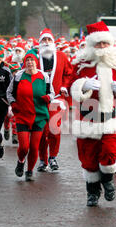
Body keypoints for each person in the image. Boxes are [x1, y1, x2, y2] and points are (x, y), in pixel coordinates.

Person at [70, 21, 116, 206]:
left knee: (110, 153)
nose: (102, 47)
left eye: (105, 43)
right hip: (89, 119)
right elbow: (69, 85)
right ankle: (92, 192)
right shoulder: (81, 65)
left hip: (111, 119)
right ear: (91, 45)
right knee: (89, 160)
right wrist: (83, 85)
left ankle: (107, 180)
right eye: (98, 44)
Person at [7, 49, 54, 181]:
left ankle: (29, 171)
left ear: (36, 62)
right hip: (22, 115)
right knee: (24, 147)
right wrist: (13, 103)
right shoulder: (18, 76)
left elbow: (52, 92)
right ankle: (21, 161)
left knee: (34, 146)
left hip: (39, 116)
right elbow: (9, 92)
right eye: (27, 60)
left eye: (32, 60)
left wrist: (48, 98)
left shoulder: (44, 76)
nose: (30, 62)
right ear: (24, 62)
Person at [36, 28, 73, 173]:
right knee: (41, 131)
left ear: (53, 42)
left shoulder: (62, 56)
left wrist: (64, 86)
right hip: (39, 100)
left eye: (48, 40)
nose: (46, 43)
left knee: (54, 130)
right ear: (39, 43)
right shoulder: (34, 56)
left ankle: (53, 157)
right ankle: (42, 160)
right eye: (43, 40)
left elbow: (68, 73)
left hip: (56, 99)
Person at [4, 63, 21, 144]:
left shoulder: (21, 80)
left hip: (16, 102)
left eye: (18, 71)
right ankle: (6, 129)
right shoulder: (7, 80)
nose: (16, 73)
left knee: (15, 118)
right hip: (7, 102)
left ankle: (15, 135)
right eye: (14, 71)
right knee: (6, 118)